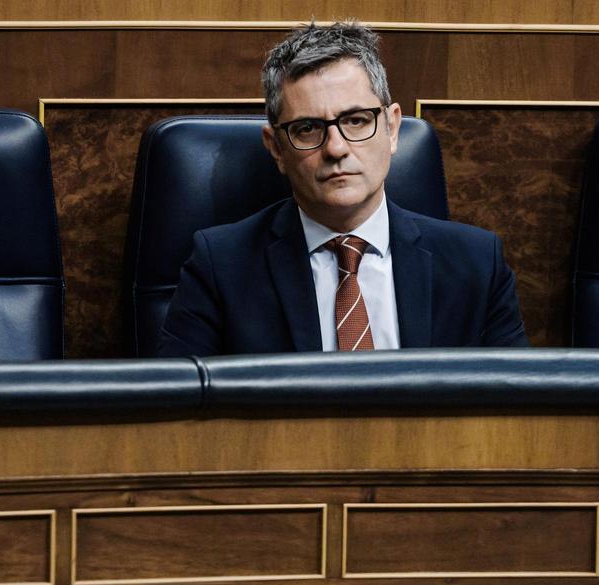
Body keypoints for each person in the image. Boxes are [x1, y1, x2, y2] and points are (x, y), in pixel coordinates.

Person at [157, 20, 528, 356]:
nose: (335, 148)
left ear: (392, 128)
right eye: (307, 128)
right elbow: (178, 415)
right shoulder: (221, 266)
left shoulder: (478, 264)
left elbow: (513, 412)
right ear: (276, 148)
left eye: (355, 120)